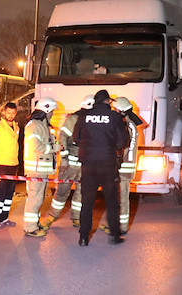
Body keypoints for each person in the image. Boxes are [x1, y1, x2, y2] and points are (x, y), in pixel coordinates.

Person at [73, 90, 129, 246]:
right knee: (111, 201)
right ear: (107, 101)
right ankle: (114, 236)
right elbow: (122, 142)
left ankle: (83, 237)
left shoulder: (83, 116)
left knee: (87, 201)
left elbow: (75, 139)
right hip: (107, 164)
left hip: (88, 164)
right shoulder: (115, 117)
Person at [42, 95, 95, 230]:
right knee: (62, 191)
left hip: (85, 163)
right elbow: (63, 138)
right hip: (71, 162)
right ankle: (53, 216)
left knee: (81, 192)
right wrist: (64, 159)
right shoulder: (73, 119)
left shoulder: (92, 120)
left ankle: (76, 217)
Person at [99, 96, 143, 235]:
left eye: (115, 109)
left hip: (123, 168)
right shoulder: (129, 123)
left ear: (120, 111)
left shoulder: (126, 125)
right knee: (117, 197)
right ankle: (114, 224)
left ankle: (121, 227)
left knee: (122, 198)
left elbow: (121, 146)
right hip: (124, 167)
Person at [23, 97, 61, 237]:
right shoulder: (34, 125)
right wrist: (54, 147)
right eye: (52, 112)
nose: (52, 114)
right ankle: (30, 228)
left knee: (39, 199)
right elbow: (36, 146)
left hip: (41, 170)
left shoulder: (42, 125)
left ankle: (35, 224)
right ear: (46, 110)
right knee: (34, 199)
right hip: (36, 170)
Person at [0, 102, 20, 227]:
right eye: (8, 113)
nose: (10, 115)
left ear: (15, 113)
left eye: (13, 113)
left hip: (13, 164)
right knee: (1, 192)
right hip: (1, 165)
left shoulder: (16, 127)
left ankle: (4, 218)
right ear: (4, 112)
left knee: (9, 193)